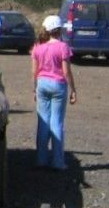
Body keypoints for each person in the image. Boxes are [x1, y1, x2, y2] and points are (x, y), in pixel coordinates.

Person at [31, 14, 78, 171]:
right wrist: (73, 89)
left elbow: (34, 72)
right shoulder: (63, 47)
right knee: (56, 122)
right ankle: (58, 162)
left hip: (41, 84)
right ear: (59, 30)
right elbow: (66, 72)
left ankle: (41, 160)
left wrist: (34, 89)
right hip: (58, 85)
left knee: (43, 122)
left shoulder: (37, 48)